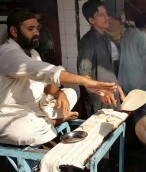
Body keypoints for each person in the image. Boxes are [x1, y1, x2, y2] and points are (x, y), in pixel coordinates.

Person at [0, 9, 117, 146]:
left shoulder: (33, 53)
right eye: (30, 29)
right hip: (11, 112)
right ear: (14, 31)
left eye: (37, 28)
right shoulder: (7, 53)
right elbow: (47, 72)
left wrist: (59, 93)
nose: (36, 33)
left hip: (36, 107)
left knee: (70, 94)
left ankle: (45, 120)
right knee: (26, 129)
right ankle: (54, 121)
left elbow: (45, 83)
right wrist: (86, 81)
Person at [77, 0, 125, 119]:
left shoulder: (105, 38)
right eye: (101, 15)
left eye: (106, 13)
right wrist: (102, 92)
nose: (106, 17)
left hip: (111, 96)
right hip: (98, 101)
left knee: (115, 128)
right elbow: (84, 77)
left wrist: (117, 87)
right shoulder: (87, 43)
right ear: (91, 20)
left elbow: (109, 68)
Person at [118, 14, 146, 93]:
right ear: (145, 25)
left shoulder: (126, 32)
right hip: (136, 72)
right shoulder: (140, 36)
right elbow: (145, 56)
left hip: (124, 70)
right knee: (136, 98)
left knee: (126, 97)